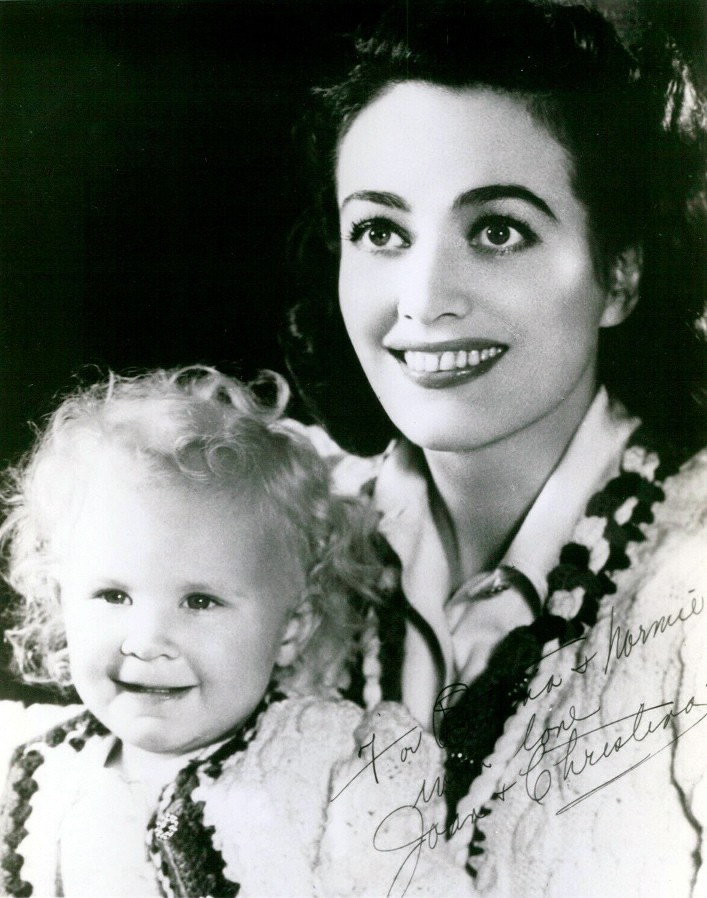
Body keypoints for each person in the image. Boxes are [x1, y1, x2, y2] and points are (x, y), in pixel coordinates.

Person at [286, 1, 707, 895]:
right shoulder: (285, 537)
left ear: (620, 272)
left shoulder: (691, 581)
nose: (423, 298)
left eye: (497, 230)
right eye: (380, 232)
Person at [0, 366, 472, 898]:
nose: (149, 640)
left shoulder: (344, 768)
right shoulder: (29, 772)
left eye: (200, 601)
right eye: (114, 596)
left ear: (292, 626)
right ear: (61, 601)